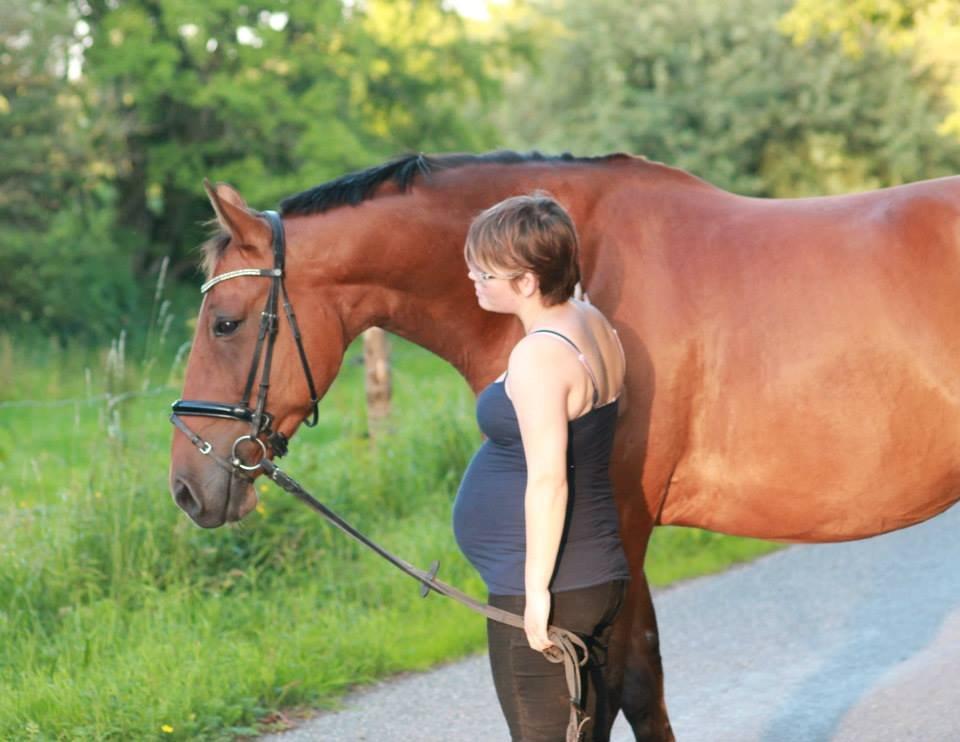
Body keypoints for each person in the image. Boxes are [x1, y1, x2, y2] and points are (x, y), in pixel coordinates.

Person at [453, 192, 631, 741]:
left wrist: (537, 598)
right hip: (594, 573)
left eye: (484, 271)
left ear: (527, 282)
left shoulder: (539, 356)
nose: (472, 279)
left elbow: (550, 481)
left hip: (555, 585)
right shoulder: (590, 320)